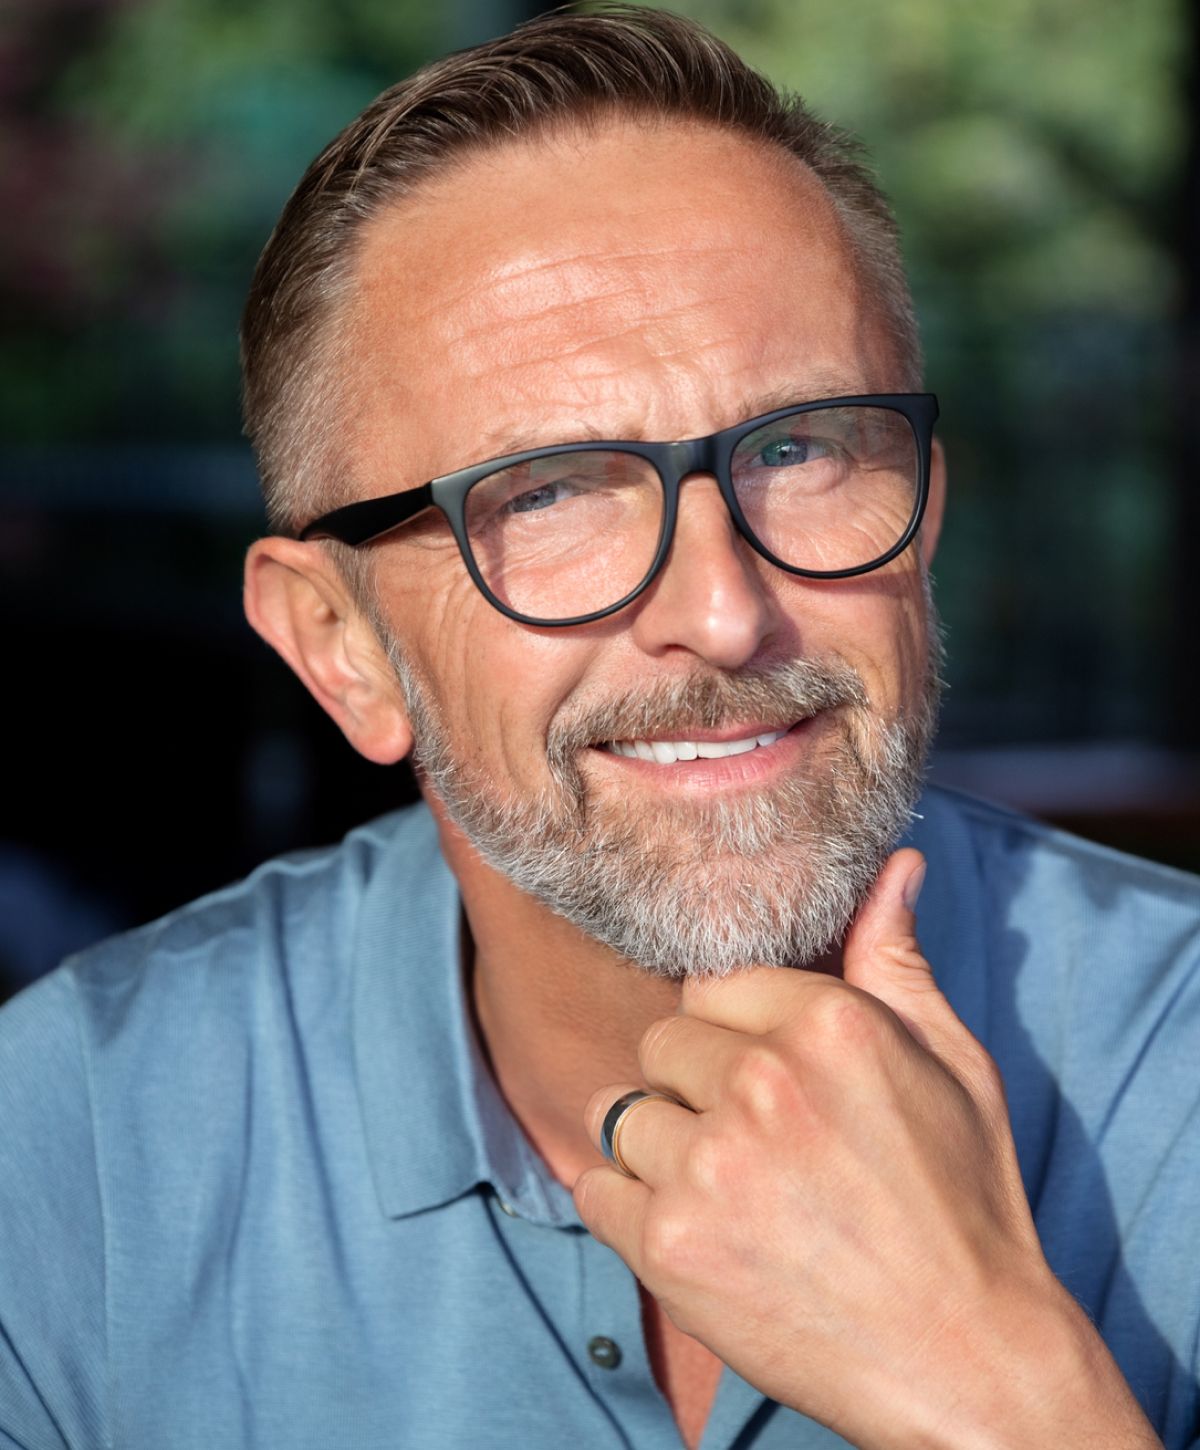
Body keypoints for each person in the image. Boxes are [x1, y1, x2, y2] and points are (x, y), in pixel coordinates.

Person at [1, 7, 1196, 1448]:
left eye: (802, 447)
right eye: (549, 492)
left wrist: (996, 1386)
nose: (724, 609)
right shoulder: (75, 1147)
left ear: (925, 509)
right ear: (342, 649)